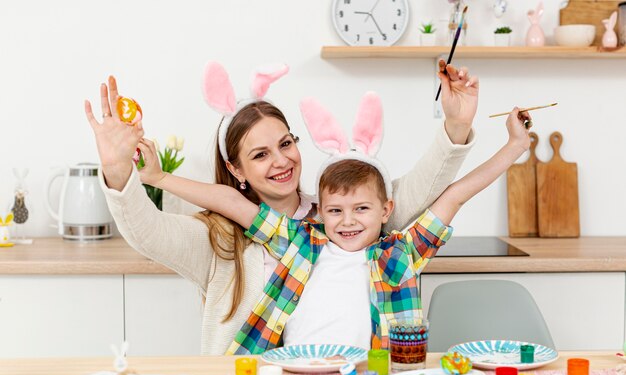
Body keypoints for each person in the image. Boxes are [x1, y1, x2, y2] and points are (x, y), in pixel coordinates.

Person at [84, 60, 479, 355]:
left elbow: (423, 187)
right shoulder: (217, 235)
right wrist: (119, 171)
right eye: (260, 155)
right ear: (235, 169)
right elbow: (147, 232)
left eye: (285, 144)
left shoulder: (339, 215)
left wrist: (456, 125)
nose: (281, 161)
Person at [136, 91, 532, 354]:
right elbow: (229, 201)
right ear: (319, 210)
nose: (347, 222)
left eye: (362, 209)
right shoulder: (299, 240)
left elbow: (456, 193)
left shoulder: (401, 252)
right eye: (336, 211)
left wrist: (514, 146)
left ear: (386, 209)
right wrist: (158, 178)